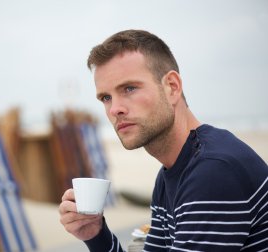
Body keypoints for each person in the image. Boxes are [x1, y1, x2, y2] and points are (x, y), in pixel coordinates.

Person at [58, 29, 268, 251]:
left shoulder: (214, 171)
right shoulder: (172, 172)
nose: (115, 109)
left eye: (129, 88)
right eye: (106, 98)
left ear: (172, 87)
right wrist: (96, 235)